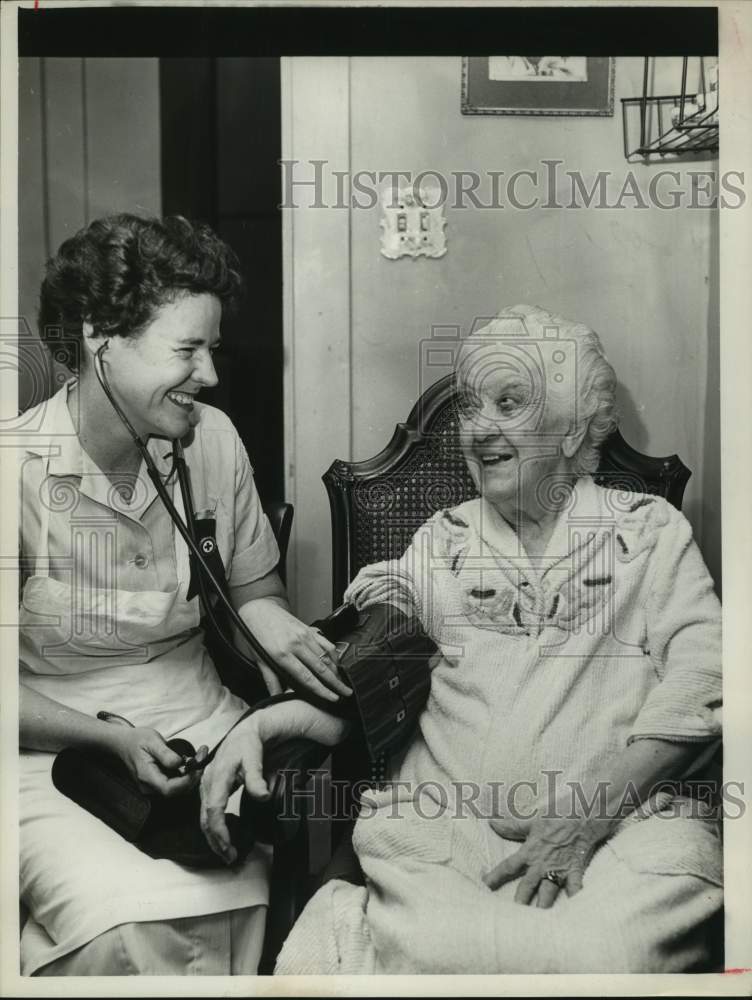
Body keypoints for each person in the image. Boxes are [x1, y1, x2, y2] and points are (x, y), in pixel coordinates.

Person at [201, 304, 723, 974]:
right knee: (450, 953)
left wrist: (586, 818)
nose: (479, 429)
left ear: (568, 427)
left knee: (606, 956)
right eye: (472, 409)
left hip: (619, 831)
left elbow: (705, 677)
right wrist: (265, 724)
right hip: (452, 837)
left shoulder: (647, 533)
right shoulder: (442, 543)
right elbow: (372, 679)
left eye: (508, 403)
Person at [18, 214, 351, 976]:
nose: (211, 374)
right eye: (187, 350)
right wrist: (107, 739)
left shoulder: (213, 440)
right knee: (112, 924)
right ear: (101, 336)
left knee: (227, 902)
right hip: (49, 745)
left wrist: (284, 636)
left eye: (213, 348)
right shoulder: (18, 473)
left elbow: (253, 591)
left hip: (198, 729)